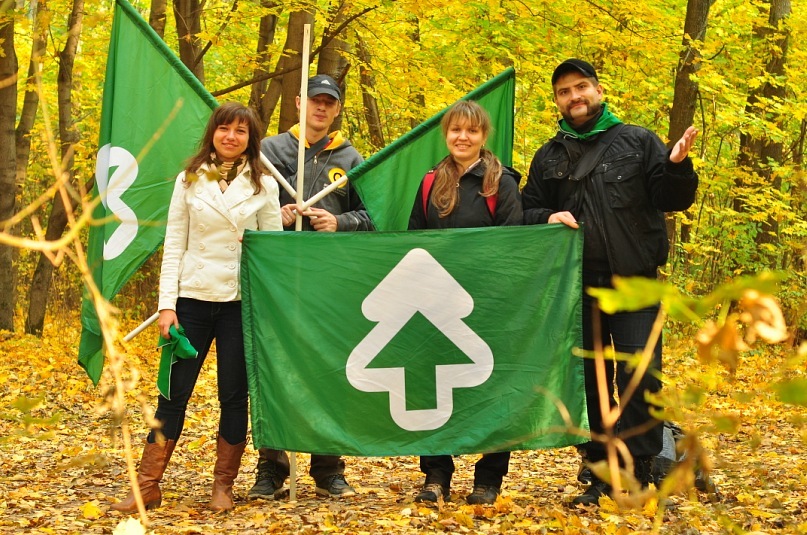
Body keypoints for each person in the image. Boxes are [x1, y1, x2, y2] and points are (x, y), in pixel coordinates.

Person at [522, 58, 699, 507]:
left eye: (581, 87)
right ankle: (602, 475)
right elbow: (524, 212)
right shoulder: (549, 156)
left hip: (636, 284)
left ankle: (640, 472)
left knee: (640, 378)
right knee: (594, 385)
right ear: (557, 101)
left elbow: (671, 198)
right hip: (581, 289)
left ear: (598, 91)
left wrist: (677, 164)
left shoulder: (638, 141)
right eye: (564, 91)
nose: (574, 96)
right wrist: (546, 216)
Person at [111, 102, 283, 513]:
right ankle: (148, 485)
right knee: (172, 395)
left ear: (250, 138)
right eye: (224, 129)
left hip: (239, 303)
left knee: (234, 396)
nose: (231, 137)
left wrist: (255, 248)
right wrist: (166, 305)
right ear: (213, 133)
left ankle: (223, 486)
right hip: (189, 300)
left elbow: (274, 250)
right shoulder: (188, 179)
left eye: (241, 131)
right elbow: (174, 245)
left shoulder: (264, 184)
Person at [248, 74, 371, 501]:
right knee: (274, 369)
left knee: (329, 369)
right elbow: (245, 207)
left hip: (329, 281)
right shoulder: (270, 150)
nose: (321, 108)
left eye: (329, 102)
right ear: (299, 102)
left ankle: (329, 468)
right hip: (278, 280)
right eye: (314, 100)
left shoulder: (352, 159)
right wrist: (273, 216)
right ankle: (271, 467)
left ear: (337, 108)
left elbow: (371, 216)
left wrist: (341, 222)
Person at [408, 100, 522, 505]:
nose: (463, 137)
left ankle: (489, 478)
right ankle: (436, 475)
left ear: (483, 136)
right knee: (434, 388)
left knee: (494, 387)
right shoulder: (429, 182)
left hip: (489, 304)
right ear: (446, 134)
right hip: (436, 305)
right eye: (456, 129)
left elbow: (512, 245)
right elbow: (414, 241)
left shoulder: (502, 183)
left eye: (472, 131)